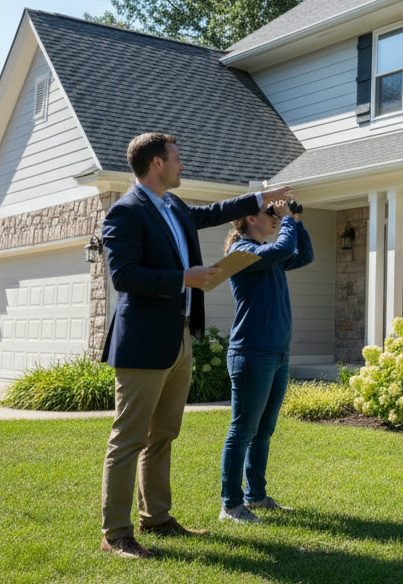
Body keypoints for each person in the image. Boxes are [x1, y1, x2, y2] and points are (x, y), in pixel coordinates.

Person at [99, 132, 293, 559]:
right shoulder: (124, 212)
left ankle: (157, 517)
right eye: (176, 159)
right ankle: (116, 533)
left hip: (179, 336)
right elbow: (124, 276)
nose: (182, 165)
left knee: (164, 434)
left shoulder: (174, 207)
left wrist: (259, 196)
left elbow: (215, 212)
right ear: (155, 164)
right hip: (144, 342)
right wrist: (183, 278)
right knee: (129, 438)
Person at [218, 197, 314, 522]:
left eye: (276, 214)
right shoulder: (242, 254)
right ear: (249, 219)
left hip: (277, 354)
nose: (275, 218)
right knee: (242, 431)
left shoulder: (267, 256)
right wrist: (287, 220)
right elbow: (284, 249)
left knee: (263, 431)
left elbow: (304, 254)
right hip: (251, 354)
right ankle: (231, 505)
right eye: (269, 213)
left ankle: (255, 496)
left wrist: (295, 221)